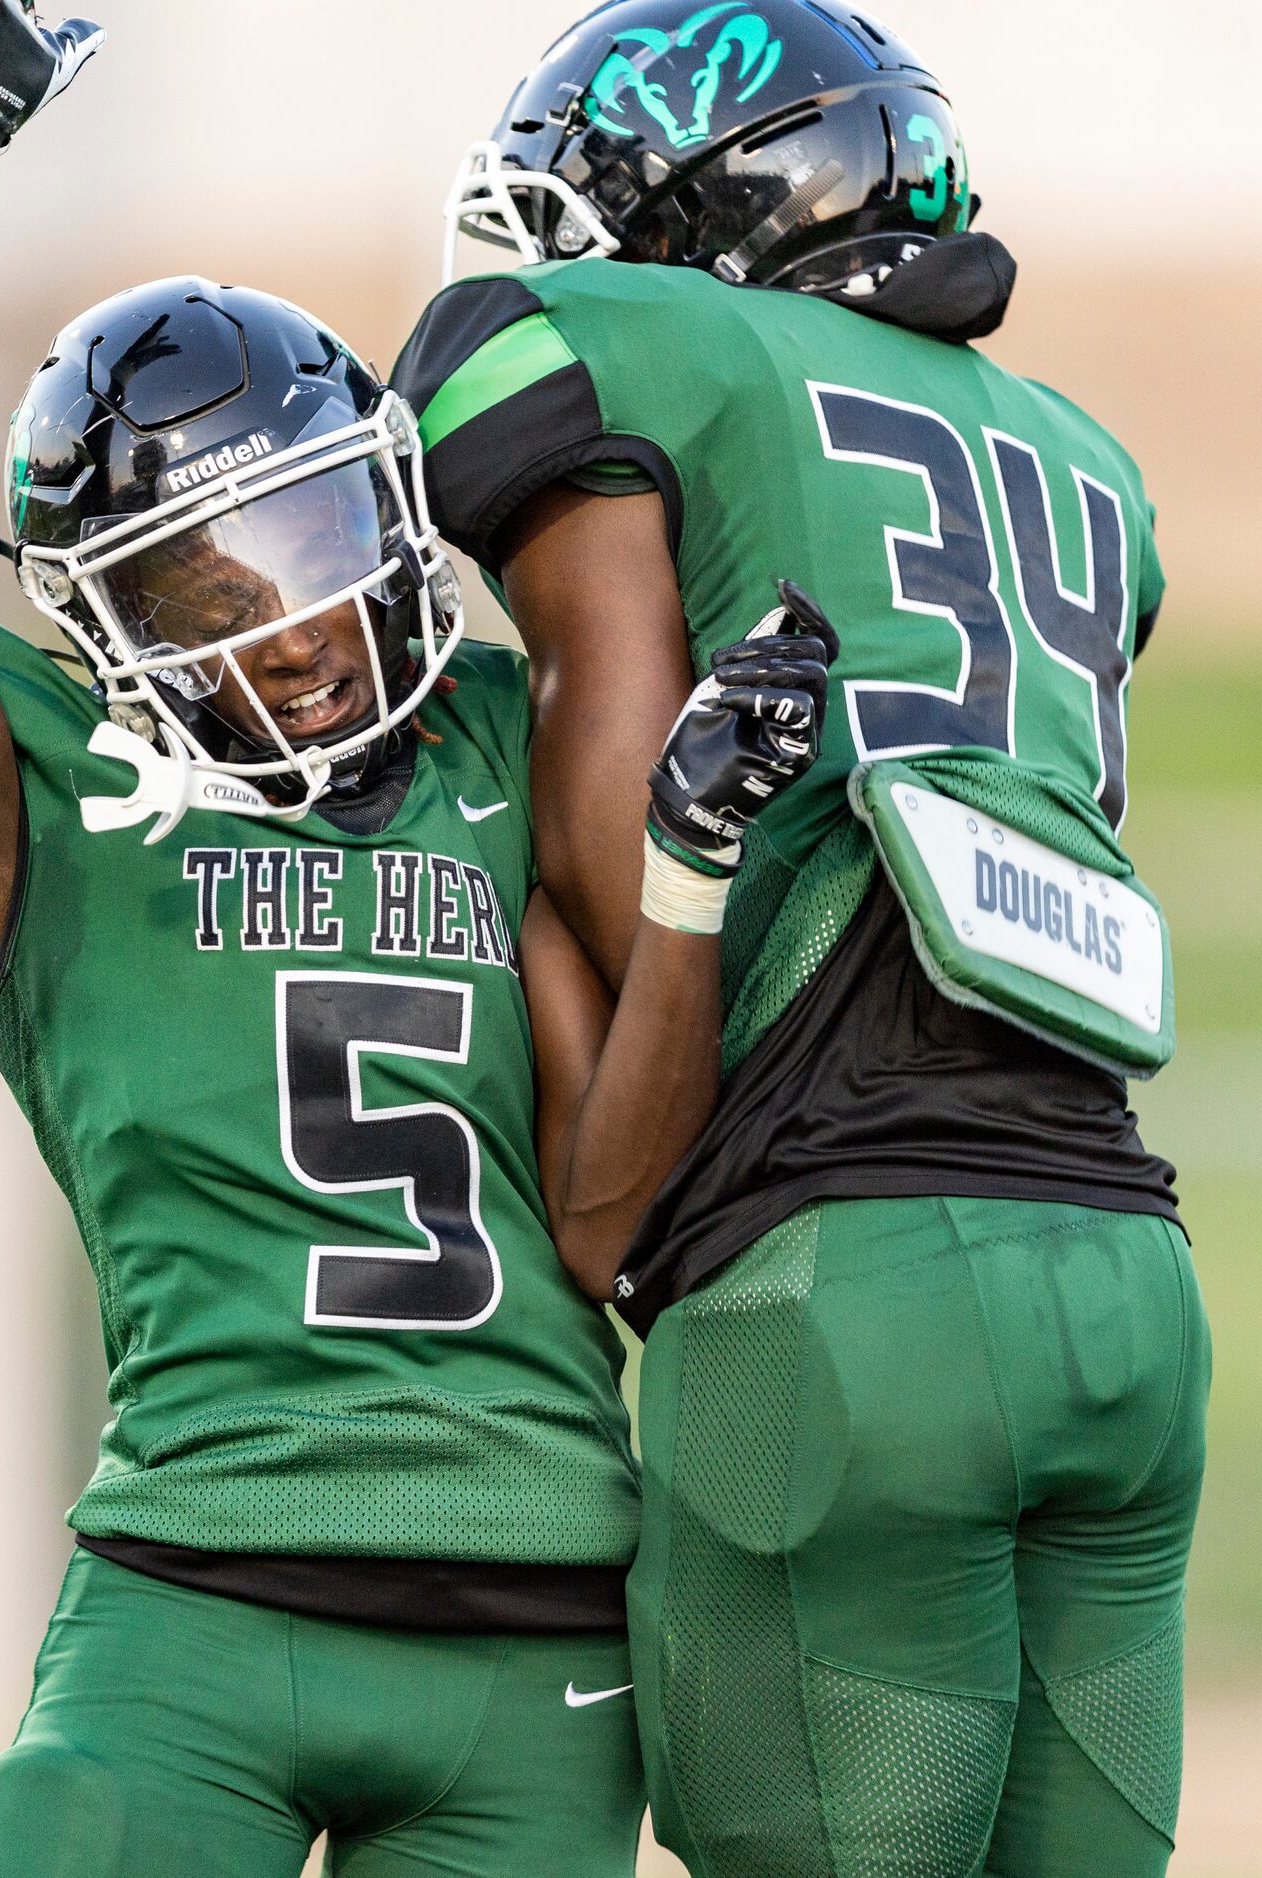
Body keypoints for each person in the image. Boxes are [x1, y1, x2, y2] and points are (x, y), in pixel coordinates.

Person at [0, 5, 836, 1874]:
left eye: (319, 529)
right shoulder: (40, 798)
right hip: (193, 1594)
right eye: (204, 583)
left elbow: (607, 1200)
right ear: (103, 623)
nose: (298, 620)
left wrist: (685, 870)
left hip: (535, 1620)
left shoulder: (504, 731)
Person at [394, 3, 1209, 1874]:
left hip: (837, 1295)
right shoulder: (1079, 460)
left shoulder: (596, 343)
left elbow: (626, 830)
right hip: (1120, 1278)